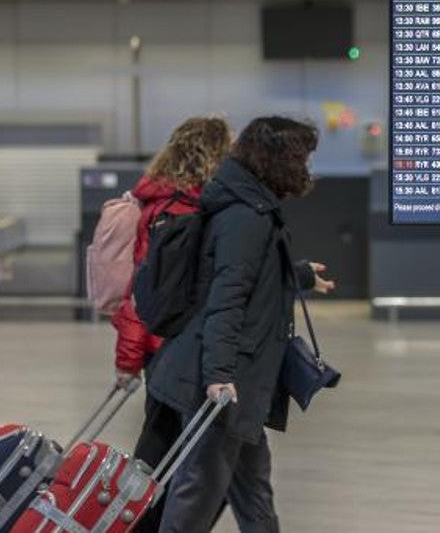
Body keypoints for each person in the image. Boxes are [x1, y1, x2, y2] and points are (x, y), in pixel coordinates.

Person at [148, 116, 335, 533]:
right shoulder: (245, 216)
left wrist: (299, 276)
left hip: (242, 383)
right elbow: (226, 299)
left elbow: (251, 276)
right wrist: (217, 375)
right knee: (195, 495)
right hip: (224, 380)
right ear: (273, 159)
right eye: (299, 158)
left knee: (254, 496)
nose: (305, 168)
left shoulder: (250, 206)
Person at [110, 116, 232, 533]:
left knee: (160, 455)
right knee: (186, 461)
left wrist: (130, 360)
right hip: (181, 351)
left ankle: (134, 523)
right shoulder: (190, 210)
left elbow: (137, 295)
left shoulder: (156, 202)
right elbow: (145, 291)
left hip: (158, 353)